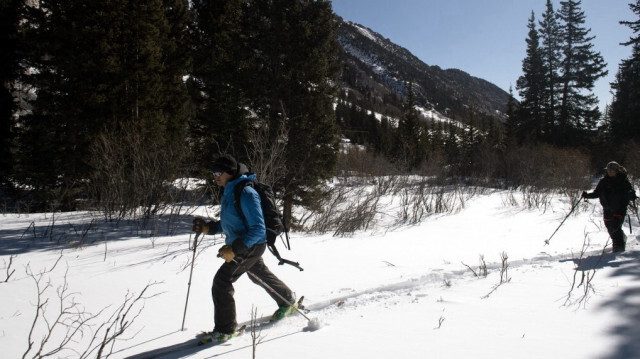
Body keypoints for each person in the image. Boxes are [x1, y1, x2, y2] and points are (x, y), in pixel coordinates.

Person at [192, 154, 297, 342]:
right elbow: (231, 223)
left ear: (230, 172)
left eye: (218, 172)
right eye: (213, 172)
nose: (215, 176)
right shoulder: (229, 190)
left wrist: (234, 248)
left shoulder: (246, 193)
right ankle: (287, 299)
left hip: (251, 245)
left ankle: (225, 330)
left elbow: (258, 229)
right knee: (258, 273)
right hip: (244, 244)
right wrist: (210, 228)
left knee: (222, 281)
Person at [582, 161, 637, 253]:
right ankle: (619, 239)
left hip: (619, 209)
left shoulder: (623, 181)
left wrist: (632, 195)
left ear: (617, 171)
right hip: (607, 209)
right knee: (609, 228)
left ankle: (619, 246)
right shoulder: (603, 182)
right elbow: (597, 193)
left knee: (615, 226)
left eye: (612, 170)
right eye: (608, 170)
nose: (610, 172)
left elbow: (631, 194)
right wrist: (587, 195)